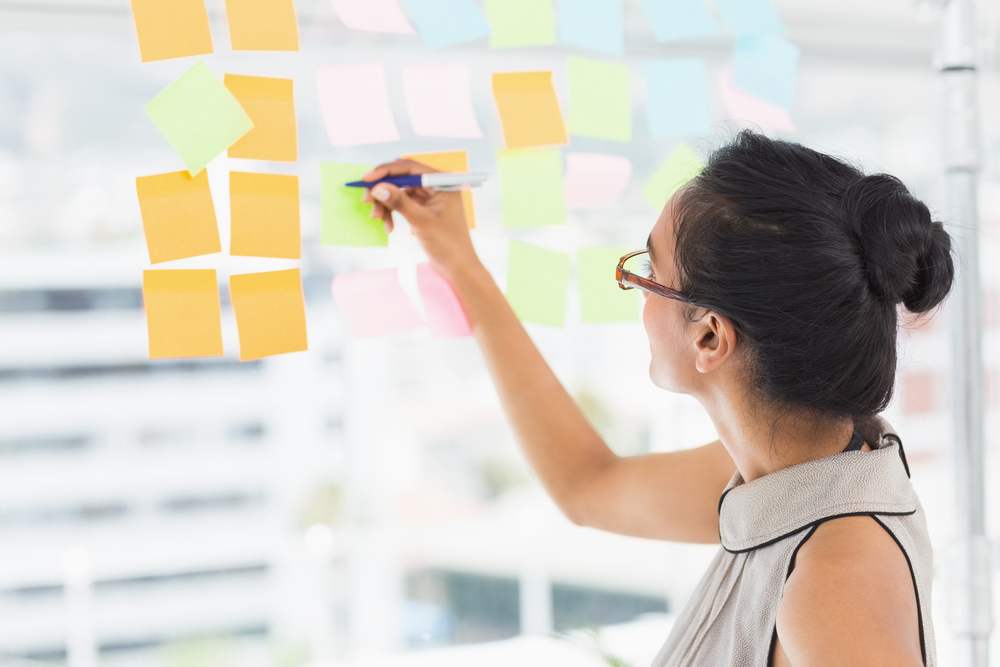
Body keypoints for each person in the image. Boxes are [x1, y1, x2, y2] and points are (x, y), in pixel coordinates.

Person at [359, 129, 954, 666]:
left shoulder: (835, 576)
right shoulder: (792, 476)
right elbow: (587, 485)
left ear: (709, 335)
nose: (636, 293)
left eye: (647, 272)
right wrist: (458, 258)